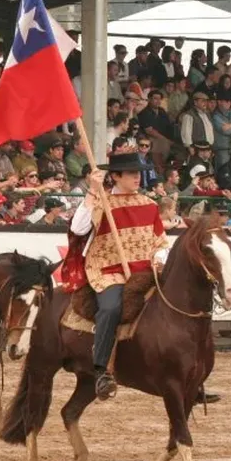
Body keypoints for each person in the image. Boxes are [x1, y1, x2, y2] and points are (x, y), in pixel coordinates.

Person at [65, 151, 167, 401]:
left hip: (144, 270)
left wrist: (160, 258)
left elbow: (160, 242)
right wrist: (92, 191)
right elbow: (78, 229)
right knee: (110, 309)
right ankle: (101, 370)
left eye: (139, 173)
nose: (138, 177)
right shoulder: (101, 201)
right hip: (107, 270)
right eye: (132, 173)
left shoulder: (149, 204)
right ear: (116, 176)